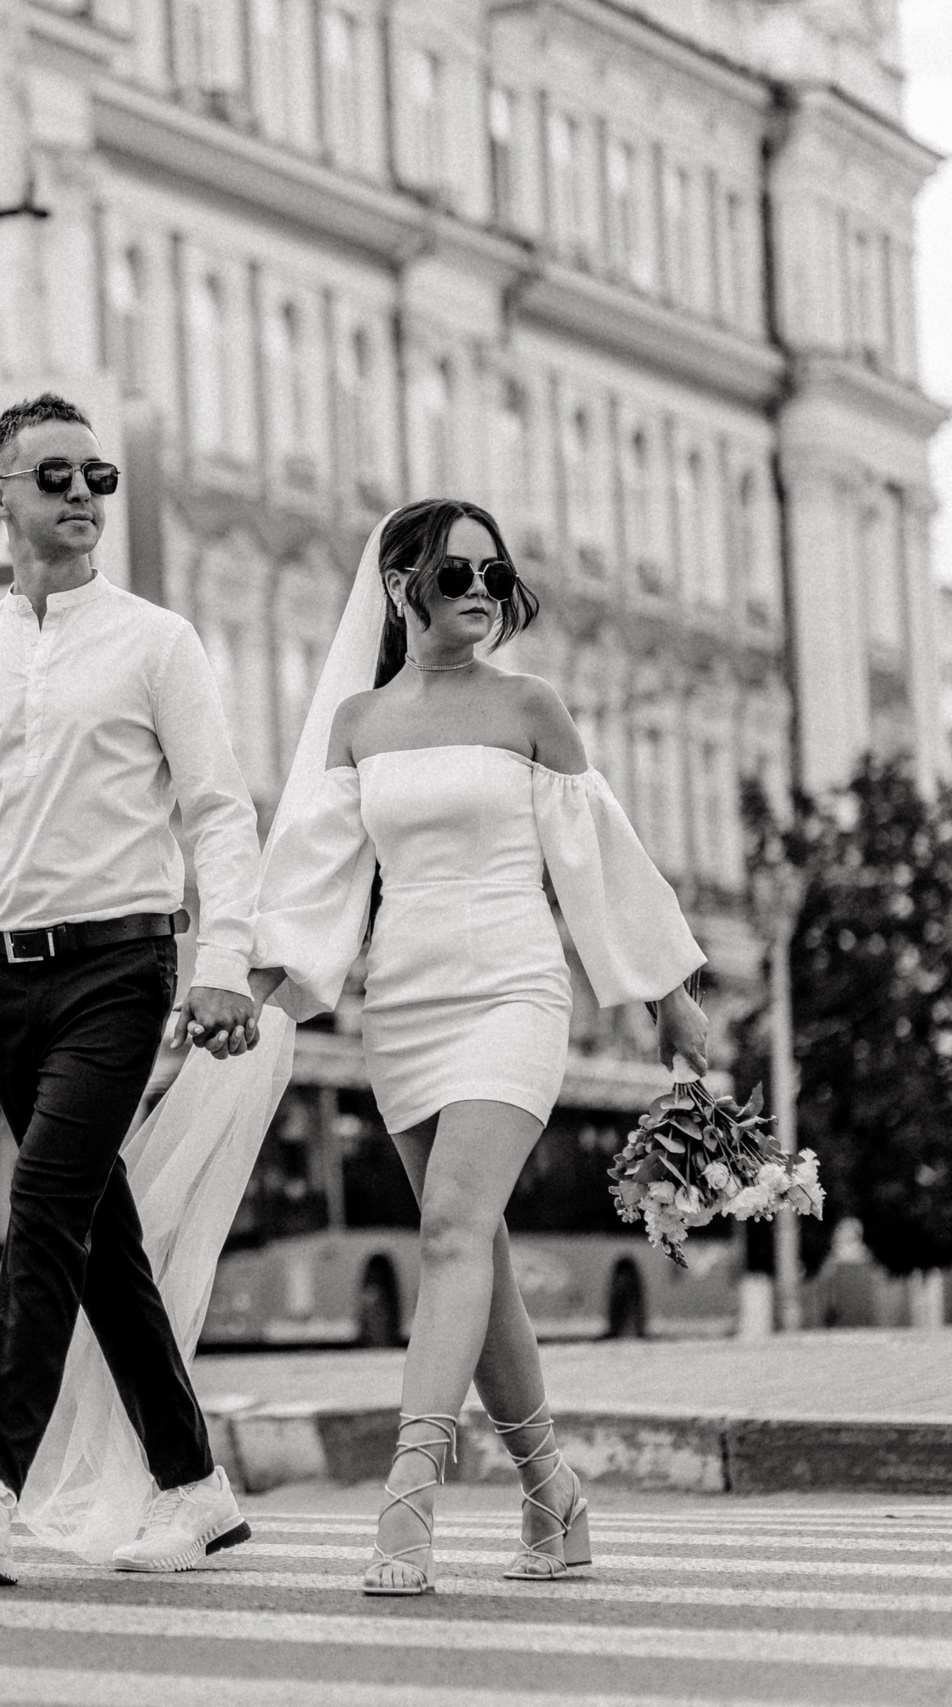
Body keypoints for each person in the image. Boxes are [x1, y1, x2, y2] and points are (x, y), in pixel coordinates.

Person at [0, 393, 264, 1585]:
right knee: (93, 1234)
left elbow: (219, 812)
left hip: (122, 966)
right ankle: (195, 1486)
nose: (81, 495)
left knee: (41, 1205)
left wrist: (223, 963)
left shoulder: (155, 641)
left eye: (97, 477)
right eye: (55, 476)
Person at [246, 498, 708, 1594]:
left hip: (513, 986)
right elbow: (315, 877)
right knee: (477, 1249)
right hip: (401, 1004)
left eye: (494, 579)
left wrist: (665, 993)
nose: (477, 595)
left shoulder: (529, 707)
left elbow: (599, 856)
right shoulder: (356, 723)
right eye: (454, 574)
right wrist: (255, 986)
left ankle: (409, 1498)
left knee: (450, 1227)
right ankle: (554, 1496)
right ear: (399, 582)